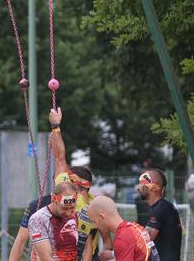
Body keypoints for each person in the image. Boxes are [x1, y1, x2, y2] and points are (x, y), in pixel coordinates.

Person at [49, 107, 111, 260]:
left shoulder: (72, 192)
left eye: (69, 178)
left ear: (75, 183)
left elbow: (60, 158)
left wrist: (55, 126)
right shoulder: (97, 207)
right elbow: (107, 242)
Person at [87, 196, 160, 261]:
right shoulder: (133, 227)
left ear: (102, 217)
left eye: (94, 221)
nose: (95, 226)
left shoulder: (122, 239)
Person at [136, 169, 182, 261]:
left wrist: (114, 253)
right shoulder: (164, 206)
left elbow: (143, 241)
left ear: (152, 186)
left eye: (141, 183)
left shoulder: (160, 209)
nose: (138, 187)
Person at [27, 181, 79, 261]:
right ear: (54, 200)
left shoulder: (74, 215)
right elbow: (46, 258)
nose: (68, 213)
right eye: (64, 208)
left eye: (72, 207)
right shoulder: (38, 219)